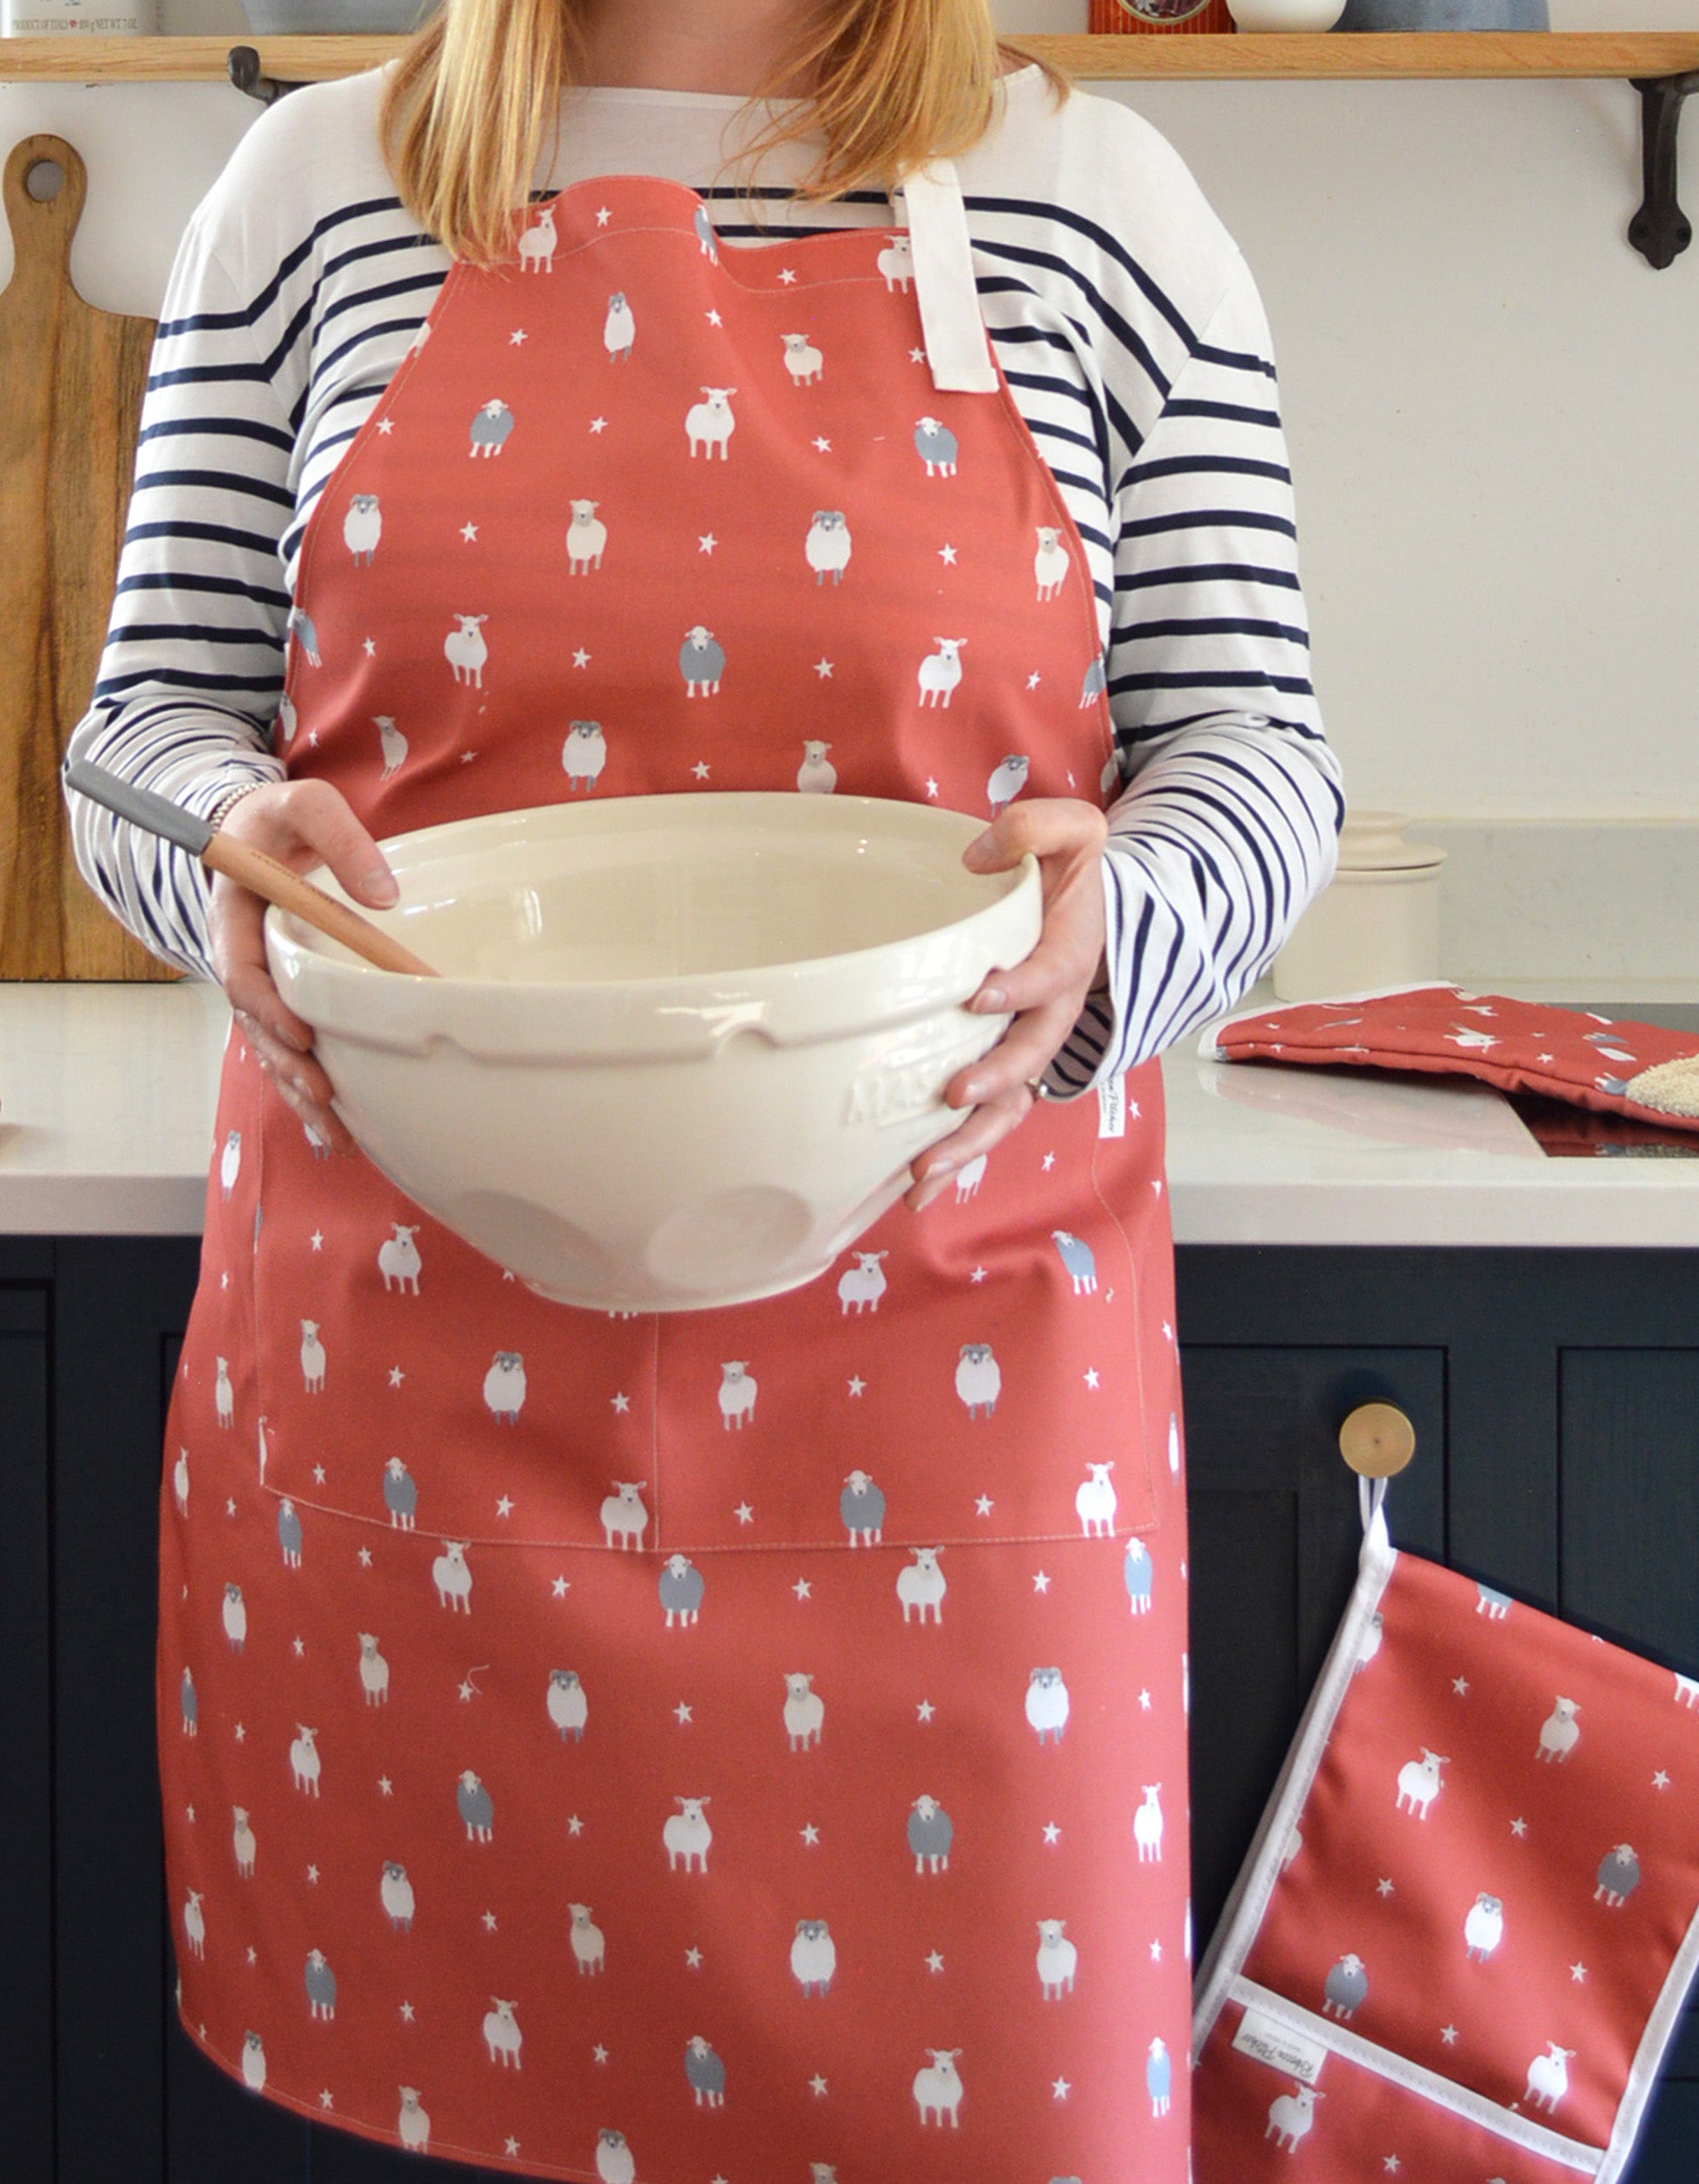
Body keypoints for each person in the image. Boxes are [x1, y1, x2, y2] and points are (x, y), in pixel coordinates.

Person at [65, 2, 1341, 2176]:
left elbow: (1262, 756)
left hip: (951, 1434)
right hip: (415, 1435)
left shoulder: (1091, 206)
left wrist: (1115, 921)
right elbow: (138, 728)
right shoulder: (309, 199)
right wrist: (224, 859)